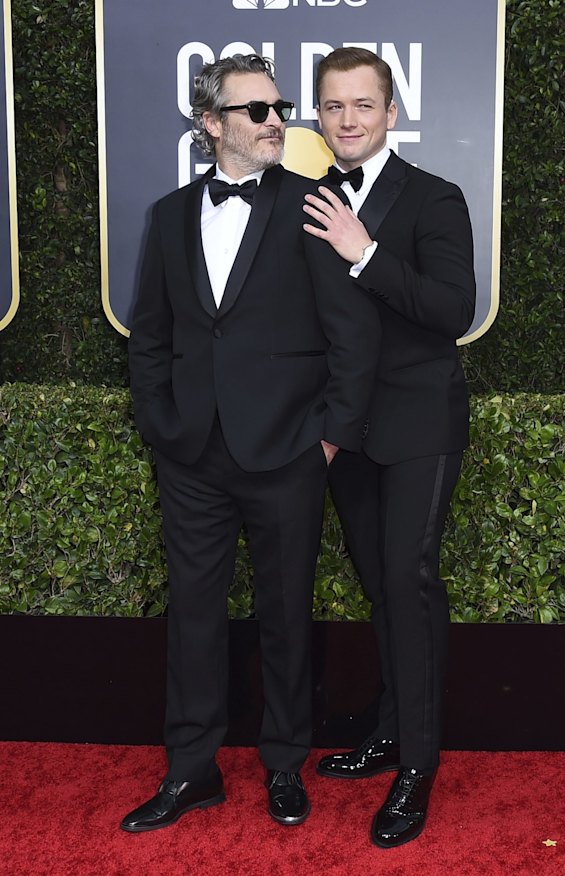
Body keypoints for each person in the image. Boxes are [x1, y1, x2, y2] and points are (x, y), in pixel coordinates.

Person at [121, 53, 380, 833]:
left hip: (288, 453)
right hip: (193, 454)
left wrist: (329, 440)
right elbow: (150, 338)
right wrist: (162, 427)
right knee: (194, 616)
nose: (277, 121)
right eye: (257, 110)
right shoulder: (168, 217)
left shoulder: (314, 204)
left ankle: (282, 765)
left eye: (279, 106)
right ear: (211, 124)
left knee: (285, 615)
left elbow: (352, 337)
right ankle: (191, 770)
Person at [302, 47, 476, 848]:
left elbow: (451, 310)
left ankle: (419, 764)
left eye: (362, 105)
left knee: (408, 581)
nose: (348, 120)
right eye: (334, 107)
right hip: (349, 430)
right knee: (379, 584)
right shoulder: (308, 201)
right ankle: (388, 727)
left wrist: (363, 252)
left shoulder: (436, 198)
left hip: (419, 424)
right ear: (318, 116)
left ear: (391, 111)